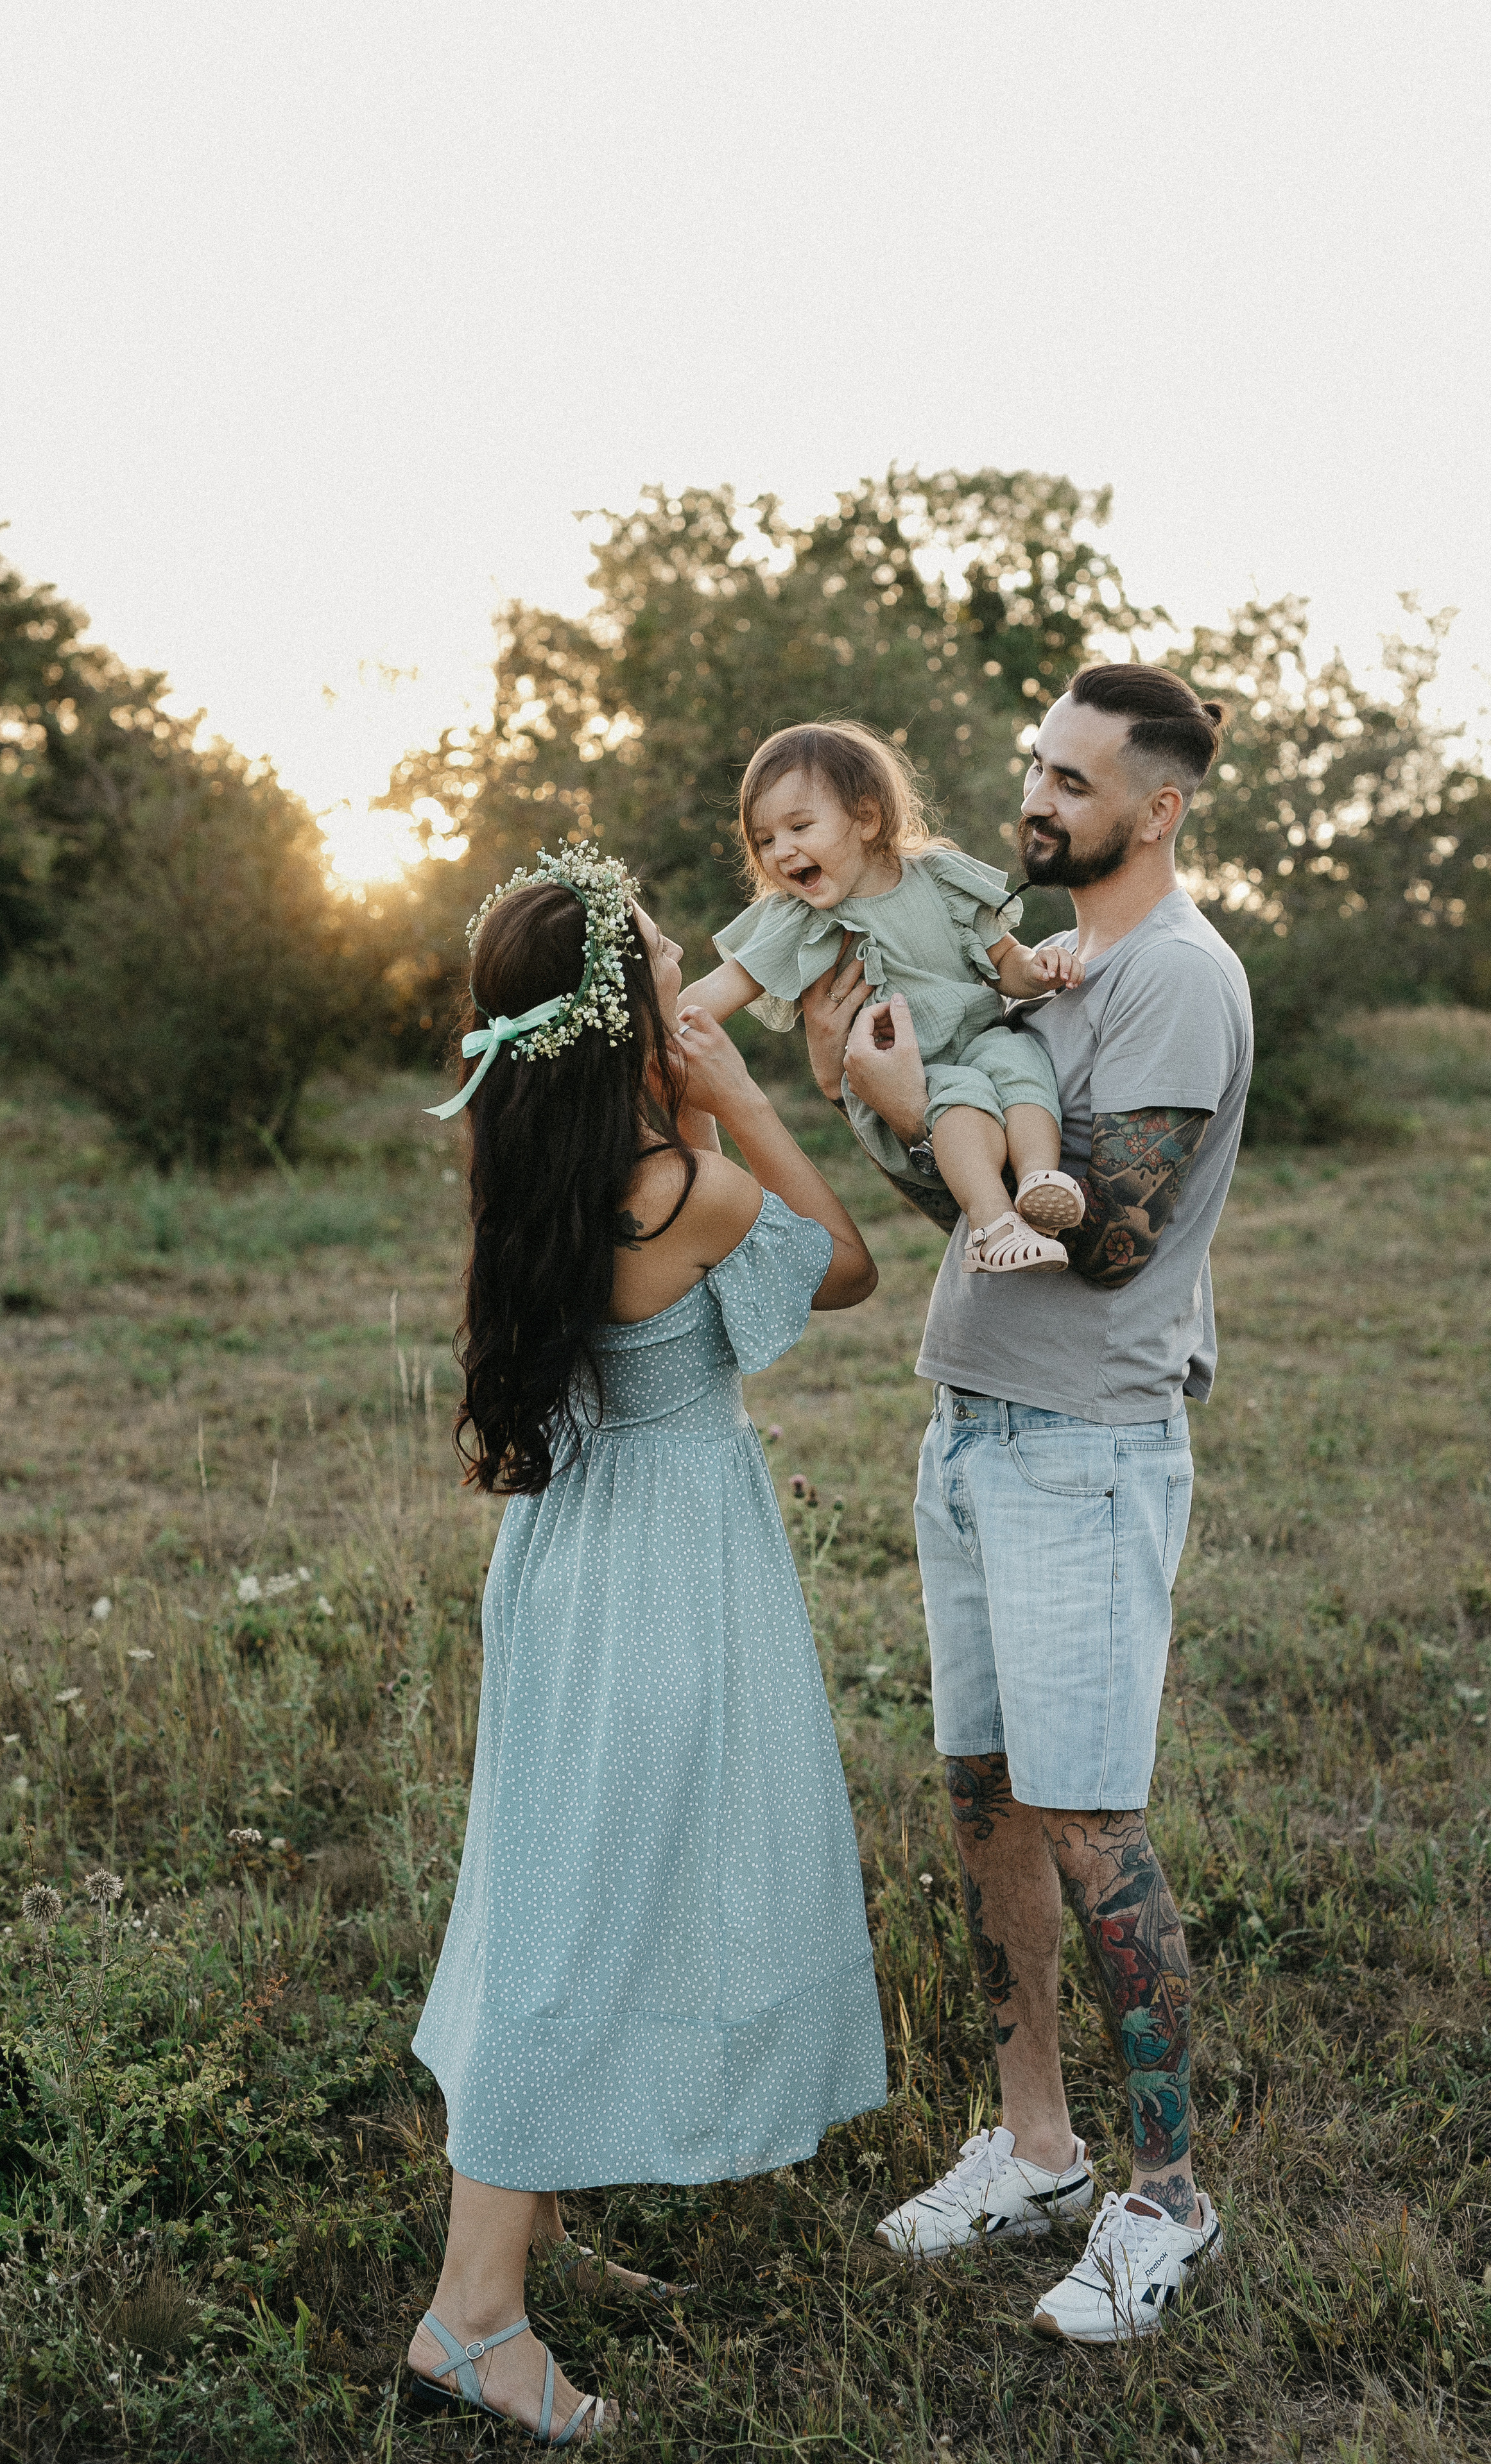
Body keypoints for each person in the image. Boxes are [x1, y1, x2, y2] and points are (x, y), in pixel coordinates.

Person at [408, 841, 887, 2443]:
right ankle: (471, 2316)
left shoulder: (535, 1159)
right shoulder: (687, 1186)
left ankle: (525, 2221)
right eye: (673, 967)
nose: (696, 977)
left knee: (549, 1868)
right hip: (670, 1569)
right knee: (587, 1910)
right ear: (625, 1018)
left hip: (566, 1556)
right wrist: (744, 1095)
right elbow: (847, 1271)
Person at [798, 665, 1253, 2346]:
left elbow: (1115, 1232)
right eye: (1034, 768)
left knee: (1089, 1823)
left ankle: (1163, 2198)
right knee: (986, 1797)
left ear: (1159, 807)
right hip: (974, 1424)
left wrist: (920, 1109)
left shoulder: (1179, 982)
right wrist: (869, 1090)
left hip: (1090, 1444)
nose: (1039, 799)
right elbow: (958, 1198)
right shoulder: (1033, 970)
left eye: (1073, 781)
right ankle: (1036, 2146)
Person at [681, 719, 1088, 1274]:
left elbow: (1006, 965)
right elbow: (713, 994)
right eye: (766, 840)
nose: (782, 851)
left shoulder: (940, 876)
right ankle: (994, 1223)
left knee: (1021, 1059)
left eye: (799, 826)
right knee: (964, 1092)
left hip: (982, 1039)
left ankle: (1042, 1179)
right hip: (907, 1078)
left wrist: (1039, 970)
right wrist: (627, 1017)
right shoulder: (797, 920)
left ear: (867, 818)